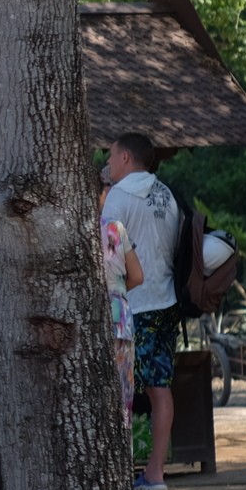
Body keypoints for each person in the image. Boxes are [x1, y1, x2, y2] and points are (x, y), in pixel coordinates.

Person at [102, 131, 179, 490]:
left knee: (122, 393)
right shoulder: (166, 194)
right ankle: (155, 471)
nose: (107, 163)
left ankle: (119, 471)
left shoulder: (118, 197)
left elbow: (108, 248)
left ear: (126, 159)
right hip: (166, 299)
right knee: (161, 387)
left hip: (134, 304)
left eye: (111, 156)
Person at [99, 182, 147, 426]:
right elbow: (137, 275)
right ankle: (122, 459)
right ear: (102, 194)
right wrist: (116, 288)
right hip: (120, 319)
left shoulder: (69, 231)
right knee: (122, 395)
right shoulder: (114, 229)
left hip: (85, 320)